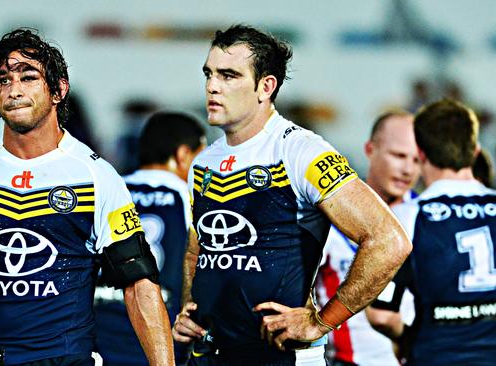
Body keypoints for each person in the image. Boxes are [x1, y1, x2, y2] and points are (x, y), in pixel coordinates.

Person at [0, 28, 174, 366]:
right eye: (3, 80)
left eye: (28, 77)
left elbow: (139, 284)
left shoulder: (96, 176)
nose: (14, 90)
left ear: (59, 90)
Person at [171, 24, 412, 366]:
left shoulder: (302, 151)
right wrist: (188, 309)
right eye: (209, 74)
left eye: (228, 76)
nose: (212, 86)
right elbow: (197, 251)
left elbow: (389, 240)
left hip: (279, 358)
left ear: (265, 87)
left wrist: (321, 321)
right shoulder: (203, 162)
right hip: (210, 356)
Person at [367, 99, 496, 365]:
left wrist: (407, 340)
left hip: (436, 355)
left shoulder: (407, 217)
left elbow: (381, 315)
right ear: (474, 151)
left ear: (422, 155)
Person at [94, 111, 206, 365]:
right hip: (161, 347)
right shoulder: (190, 198)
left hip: (98, 344)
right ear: (183, 155)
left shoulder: (109, 191)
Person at [317, 111, 420, 366]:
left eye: (417, 160)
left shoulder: (427, 218)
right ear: (370, 149)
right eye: (398, 156)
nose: (407, 169)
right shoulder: (330, 216)